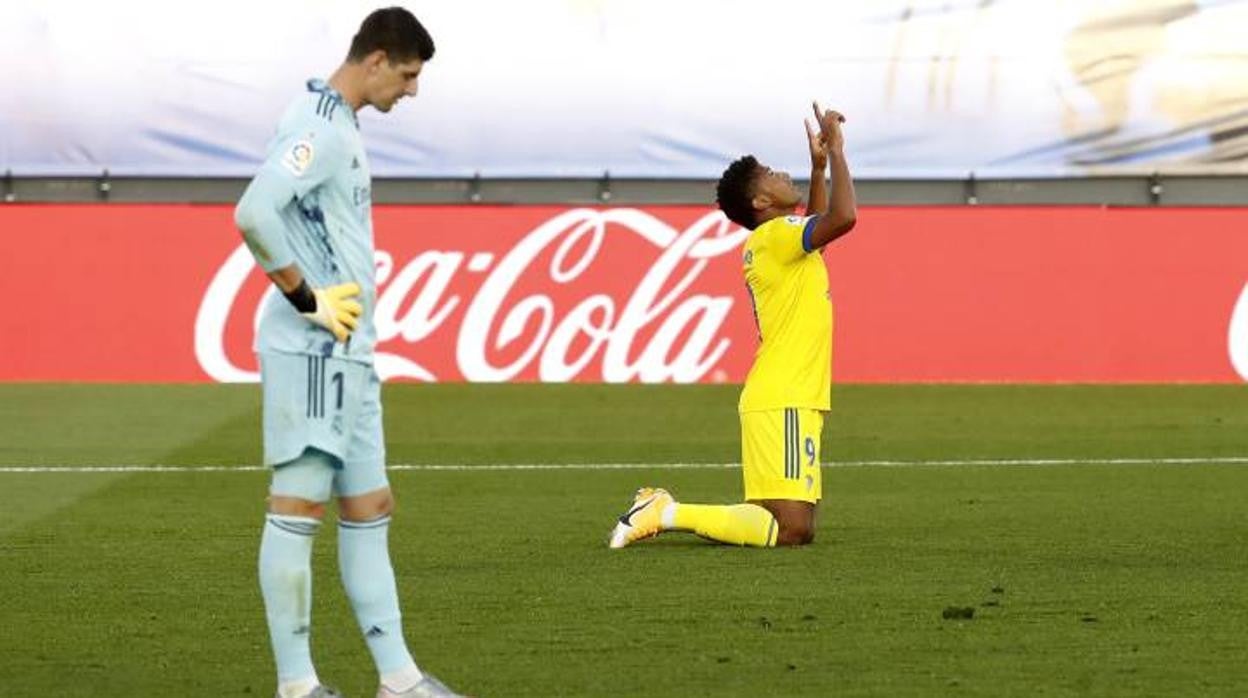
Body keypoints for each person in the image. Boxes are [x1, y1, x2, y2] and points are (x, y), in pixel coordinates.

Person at [233, 8, 466, 698]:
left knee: (370, 506)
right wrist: (307, 299)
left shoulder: (340, 121)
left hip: (351, 354)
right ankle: (297, 686)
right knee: (298, 504)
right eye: (409, 74)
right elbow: (254, 211)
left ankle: (398, 680)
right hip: (312, 352)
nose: (413, 90)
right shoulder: (318, 125)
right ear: (377, 59)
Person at [609, 103, 857, 549]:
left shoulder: (777, 241)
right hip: (785, 395)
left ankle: (663, 510)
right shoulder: (777, 237)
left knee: (788, 526)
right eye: (767, 172)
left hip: (783, 394)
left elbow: (819, 228)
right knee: (790, 528)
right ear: (761, 202)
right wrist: (838, 152)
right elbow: (843, 219)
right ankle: (663, 512)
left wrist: (817, 169)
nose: (780, 172)